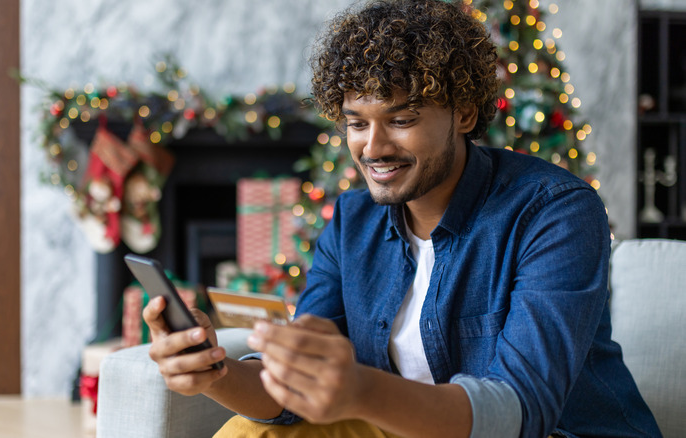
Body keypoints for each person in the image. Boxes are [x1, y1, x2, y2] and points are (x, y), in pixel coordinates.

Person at [143, 0, 662, 436]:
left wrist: (361, 388)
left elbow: (522, 413)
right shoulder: (352, 221)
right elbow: (292, 393)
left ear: (463, 113)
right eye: (356, 124)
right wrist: (212, 372)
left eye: (402, 120)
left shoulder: (554, 211)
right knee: (252, 431)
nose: (373, 148)